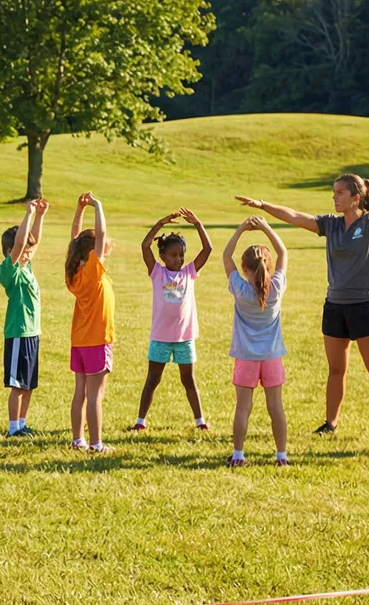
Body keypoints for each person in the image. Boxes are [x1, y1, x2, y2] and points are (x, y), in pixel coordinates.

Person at [237, 175, 369, 440]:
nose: (334, 197)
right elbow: (296, 216)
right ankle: (331, 423)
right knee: (336, 370)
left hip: (366, 304)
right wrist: (263, 205)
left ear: (355, 198)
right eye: (333, 192)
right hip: (335, 304)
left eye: (340, 193)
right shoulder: (330, 225)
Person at [131, 209, 214, 432]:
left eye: (181, 255)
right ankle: (140, 421)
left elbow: (208, 249)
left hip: (184, 338)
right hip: (160, 337)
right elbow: (145, 246)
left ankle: (200, 421)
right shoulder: (156, 272)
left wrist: (197, 223)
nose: (178, 259)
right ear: (163, 256)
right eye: (173, 255)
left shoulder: (189, 272)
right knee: (152, 380)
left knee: (188, 380)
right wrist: (160, 223)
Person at [222, 217, 290, 466]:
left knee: (243, 408)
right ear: (268, 267)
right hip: (272, 356)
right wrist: (266, 227)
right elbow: (282, 251)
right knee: (276, 408)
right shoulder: (277, 287)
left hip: (246, 357)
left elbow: (226, 257)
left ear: (245, 270)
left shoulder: (240, 288)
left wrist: (240, 228)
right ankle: (281, 455)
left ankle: (238, 454)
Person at [65, 192, 116, 452]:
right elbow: (102, 232)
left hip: (80, 342)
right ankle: (96, 444)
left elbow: (74, 240)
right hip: (97, 341)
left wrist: (79, 209)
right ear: (93, 252)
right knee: (96, 394)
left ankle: (78, 440)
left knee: (80, 392)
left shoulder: (74, 273)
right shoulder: (94, 271)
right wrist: (98, 205)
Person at [0, 200, 48, 435]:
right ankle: (12, 428)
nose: (28, 253)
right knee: (18, 385)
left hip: (32, 333)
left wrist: (40, 216)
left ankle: (21, 424)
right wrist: (28, 213)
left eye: (29, 250)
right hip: (18, 333)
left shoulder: (27, 266)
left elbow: (31, 241)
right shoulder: (10, 270)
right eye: (23, 251)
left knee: (28, 385)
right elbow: (21, 244)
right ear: (10, 252)